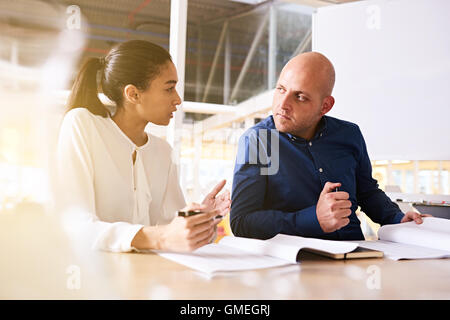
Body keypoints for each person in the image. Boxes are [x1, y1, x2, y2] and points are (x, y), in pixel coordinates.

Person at [230, 52, 430, 240]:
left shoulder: (349, 135)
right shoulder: (261, 141)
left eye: (299, 97)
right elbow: (242, 222)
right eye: (281, 89)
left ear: (325, 106)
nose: (282, 104)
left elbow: (367, 192)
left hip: (355, 255)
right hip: (297, 264)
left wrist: (396, 218)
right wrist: (313, 219)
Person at [56, 40, 230, 253]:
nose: (178, 99)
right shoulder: (82, 124)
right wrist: (162, 237)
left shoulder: (163, 151)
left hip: (145, 277)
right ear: (133, 94)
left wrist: (202, 220)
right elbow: (75, 226)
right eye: (169, 88)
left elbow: (172, 233)